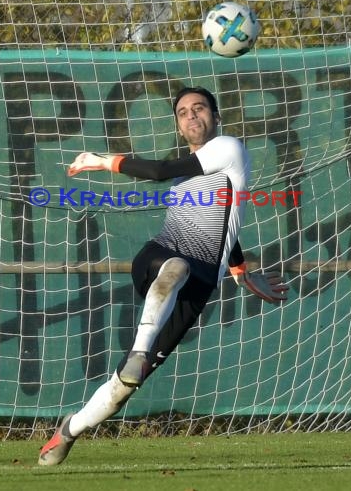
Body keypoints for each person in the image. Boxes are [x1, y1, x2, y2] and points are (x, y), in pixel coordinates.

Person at [38, 86, 288, 466]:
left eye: (199, 108)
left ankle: (69, 430)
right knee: (176, 265)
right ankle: (140, 348)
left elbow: (210, 213)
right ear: (178, 124)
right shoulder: (187, 173)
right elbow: (201, 209)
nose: (191, 116)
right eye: (183, 112)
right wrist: (239, 266)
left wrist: (237, 267)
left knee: (126, 385)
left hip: (200, 282)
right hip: (157, 258)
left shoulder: (229, 148)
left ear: (216, 117)